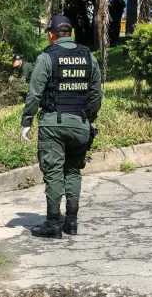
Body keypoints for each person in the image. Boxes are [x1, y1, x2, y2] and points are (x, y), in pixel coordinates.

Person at [20, 15, 102, 239]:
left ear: (51, 34)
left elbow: (34, 93)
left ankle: (53, 223)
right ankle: (72, 222)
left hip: (53, 125)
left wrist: (26, 122)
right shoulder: (88, 55)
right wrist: (89, 117)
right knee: (73, 171)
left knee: (54, 172)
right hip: (81, 123)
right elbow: (96, 92)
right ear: (70, 32)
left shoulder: (47, 56)